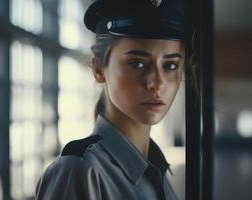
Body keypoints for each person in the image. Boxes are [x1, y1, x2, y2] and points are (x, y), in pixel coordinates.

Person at [35, 0, 189, 199]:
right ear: (99, 69)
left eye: (170, 66)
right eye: (137, 63)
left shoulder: (155, 168)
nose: (157, 83)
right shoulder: (80, 170)